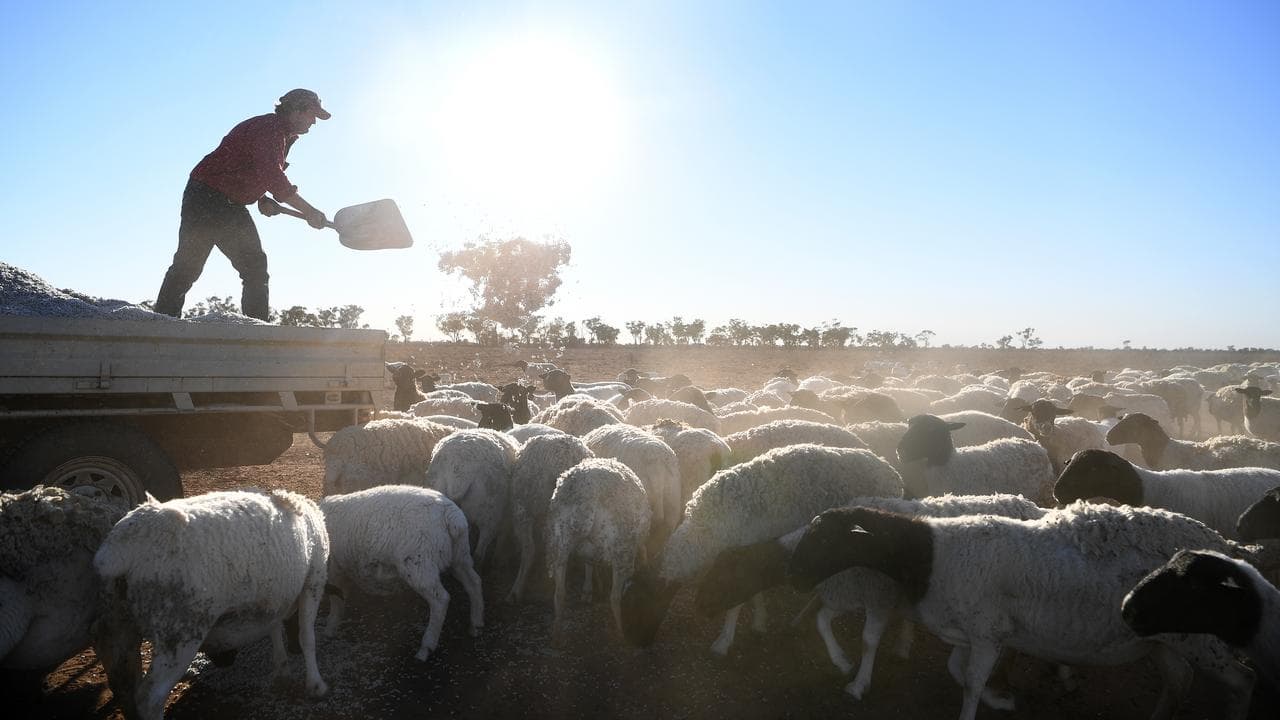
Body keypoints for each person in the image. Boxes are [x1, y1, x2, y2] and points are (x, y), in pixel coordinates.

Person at [154, 89, 331, 321]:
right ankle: (163, 323)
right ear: (296, 110)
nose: (314, 122)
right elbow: (274, 178)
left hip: (228, 203)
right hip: (207, 197)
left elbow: (253, 169)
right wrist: (310, 212)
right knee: (189, 264)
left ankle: (256, 330)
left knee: (254, 266)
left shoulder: (281, 133)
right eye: (312, 114)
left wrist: (260, 198)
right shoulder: (271, 129)